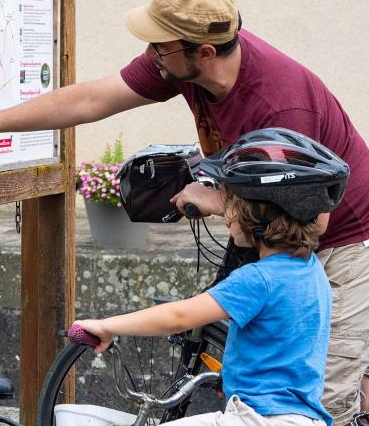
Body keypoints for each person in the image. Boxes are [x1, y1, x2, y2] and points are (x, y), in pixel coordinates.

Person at [0, 0, 369, 425]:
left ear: (204, 53)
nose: (152, 53)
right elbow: (94, 98)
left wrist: (216, 201)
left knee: (326, 394)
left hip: (343, 240)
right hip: (273, 232)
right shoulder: (181, 59)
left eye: (161, 46)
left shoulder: (281, 107)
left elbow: (314, 216)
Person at [74, 128, 350, 426]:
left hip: (260, 419)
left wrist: (105, 326)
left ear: (256, 215)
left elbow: (178, 316)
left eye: (231, 205)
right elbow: (280, 347)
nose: (226, 215)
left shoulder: (259, 279)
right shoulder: (309, 270)